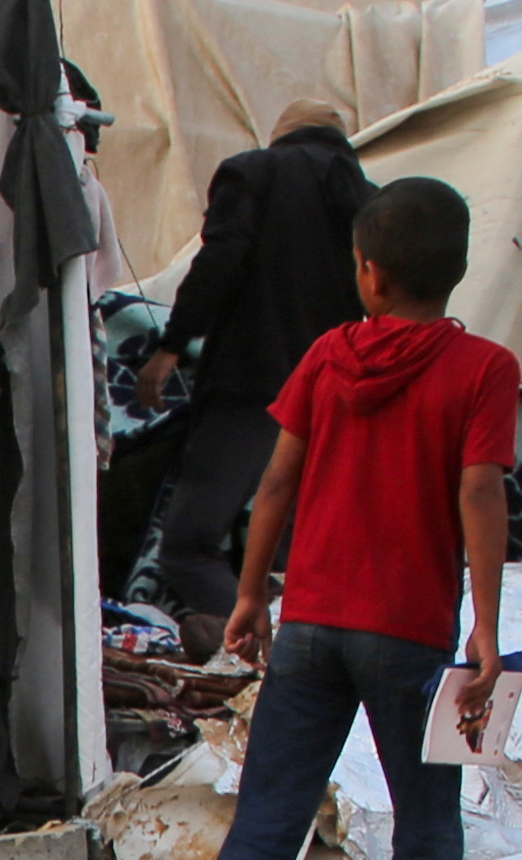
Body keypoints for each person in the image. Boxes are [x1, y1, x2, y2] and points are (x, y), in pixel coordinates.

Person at [161, 172, 516, 860]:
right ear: (459, 269)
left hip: (312, 620)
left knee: (268, 819)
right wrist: (483, 625)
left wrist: (249, 594)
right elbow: (480, 490)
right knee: (427, 821)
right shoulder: (483, 370)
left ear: (368, 273)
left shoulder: (327, 357)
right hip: (407, 632)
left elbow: (275, 481)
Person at [135, 98, 375, 646]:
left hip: (251, 386)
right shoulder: (368, 198)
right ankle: (299, 655)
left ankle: (271, 644)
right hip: (337, 394)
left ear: (280, 135)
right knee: (296, 556)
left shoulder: (252, 172)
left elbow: (222, 259)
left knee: (189, 545)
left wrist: (172, 347)